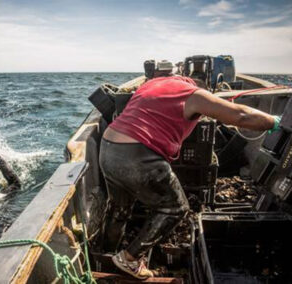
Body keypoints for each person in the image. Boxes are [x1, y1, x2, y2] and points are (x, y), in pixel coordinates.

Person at [99, 76, 280, 279]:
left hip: (108, 147)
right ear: (201, 86)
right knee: (174, 208)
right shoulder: (194, 94)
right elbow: (241, 116)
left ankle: (105, 253)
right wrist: (274, 122)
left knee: (119, 208)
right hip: (138, 154)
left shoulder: (153, 83)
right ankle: (129, 259)